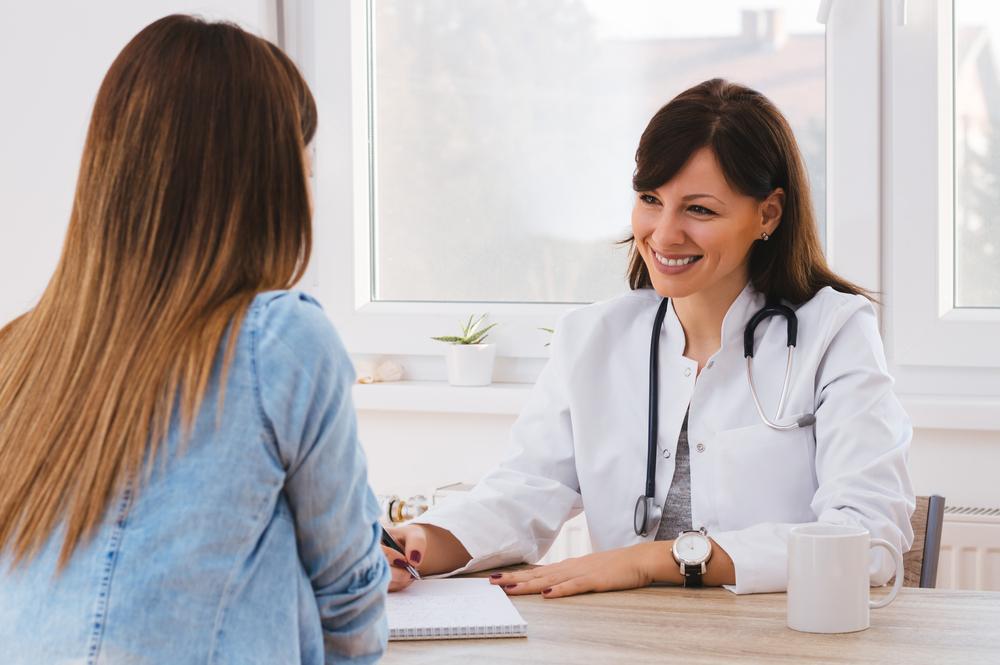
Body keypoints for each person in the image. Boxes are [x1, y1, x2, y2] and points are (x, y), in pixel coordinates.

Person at [382, 78, 915, 597]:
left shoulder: (835, 332)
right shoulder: (592, 338)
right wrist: (420, 540)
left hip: (779, 643)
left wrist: (648, 560)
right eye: (650, 199)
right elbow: (523, 493)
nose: (663, 233)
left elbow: (866, 540)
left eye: (699, 209)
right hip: (630, 642)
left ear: (767, 213)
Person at [0, 15, 388, 663]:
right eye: (306, 159)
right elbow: (348, 590)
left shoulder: (21, 351)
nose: (312, 183)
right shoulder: (281, 338)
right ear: (268, 177)